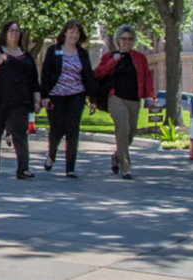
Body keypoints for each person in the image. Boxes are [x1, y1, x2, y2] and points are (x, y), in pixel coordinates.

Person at [0, 21, 42, 179]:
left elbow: (34, 80)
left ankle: (23, 169)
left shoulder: (26, 56)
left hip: (21, 101)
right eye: (11, 30)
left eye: (17, 31)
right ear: (5, 33)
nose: (15, 33)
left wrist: (37, 100)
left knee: (20, 133)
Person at [93, 24, 156, 180]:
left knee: (130, 134)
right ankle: (126, 167)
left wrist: (150, 96)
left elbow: (147, 77)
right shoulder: (109, 56)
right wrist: (112, 62)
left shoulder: (140, 58)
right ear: (118, 40)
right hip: (116, 98)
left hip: (134, 99)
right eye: (123, 39)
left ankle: (116, 156)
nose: (127, 42)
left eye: (130, 39)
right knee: (123, 128)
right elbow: (98, 74)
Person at [40, 19, 97, 178]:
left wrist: (92, 99)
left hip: (76, 96)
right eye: (71, 32)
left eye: (77, 33)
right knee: (56, 130)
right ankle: (51, 155)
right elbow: (45, 74)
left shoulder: (82, 53)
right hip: (56, 96)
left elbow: (89, 77)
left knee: (72, 130)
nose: (74, 35)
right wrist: (44, 96)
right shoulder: (54, 50)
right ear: (65, 32)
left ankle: (70, 168)